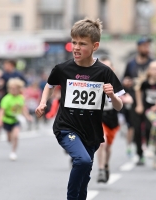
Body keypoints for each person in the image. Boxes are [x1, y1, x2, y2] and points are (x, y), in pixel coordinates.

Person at [35, 18, 124, 200]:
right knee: (82, 161)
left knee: (85, 175)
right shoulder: (63, 69)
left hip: (91, 131)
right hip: (66, 126)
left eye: (82, 44)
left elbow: (119, 106)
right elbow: (49, 85)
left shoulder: (104, 72)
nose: (76, 47)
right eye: (74, 42)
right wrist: (43, 102)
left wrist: (113, 96)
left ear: (95, 46)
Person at [122, 36, 153, 165]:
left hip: (149, 100)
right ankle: (140, 153)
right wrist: (126, 82)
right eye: (144, 46)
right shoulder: (131, 63)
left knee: (148, 126)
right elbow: (124, 79)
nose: (147, 48)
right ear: (138, 47)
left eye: (148, 46)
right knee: (135, 127)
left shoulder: (152, 63)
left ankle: (147, 145)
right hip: (134, 99)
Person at [135, 60, 156, 169]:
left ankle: (154, 154)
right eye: (154, 69)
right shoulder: (145, 82)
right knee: (146, 129)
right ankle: (147, 148)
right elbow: (138, 91)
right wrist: (139, 105)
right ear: (149, 70)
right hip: (147, 109)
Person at [0, 78, 32, 161]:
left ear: (19, 89)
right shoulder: (6, 98)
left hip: (16, 120)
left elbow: (23, 109)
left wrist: (28, 117)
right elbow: (1, 110)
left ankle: (13, 152)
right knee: (9, 139)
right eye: (11, 88)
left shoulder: (21, 98)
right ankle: (10, 138)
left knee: (15, 136)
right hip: (7, 120)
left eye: (15, 88)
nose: (13, 90)